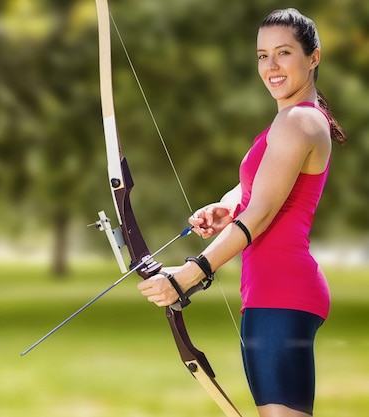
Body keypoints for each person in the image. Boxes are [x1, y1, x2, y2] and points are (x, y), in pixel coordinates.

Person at [137, 8, 345, 417]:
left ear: (314, 57)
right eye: (262, 55)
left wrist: (189, 276)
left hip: (281, 293)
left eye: (284, 53)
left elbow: (263, 213)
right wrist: (227, 205)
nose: (271, 66)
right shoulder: (289, 121)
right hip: (272, 293)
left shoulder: (299, 121)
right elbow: (258, 190)